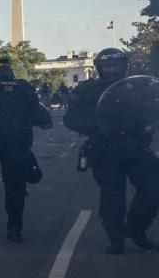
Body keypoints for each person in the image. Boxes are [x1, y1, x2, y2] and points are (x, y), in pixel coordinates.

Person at [65, 48, 159, 254]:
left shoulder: (140, 86)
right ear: (100, 68)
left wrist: (149, 123)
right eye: (108, 66)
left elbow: (154, 109)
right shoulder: (87, 90)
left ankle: (136, 229)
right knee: (113, 196)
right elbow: (70, 119)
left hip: (136, 146)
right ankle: (116, 239)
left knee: (153, 189)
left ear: (125, 66)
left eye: (117, 65)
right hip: (104, 148)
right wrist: (96, 127)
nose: (113, 70)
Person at [0, 51, 51, 243]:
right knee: (15, 185)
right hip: (17, 140)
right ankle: (15, 228)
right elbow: (39, 115)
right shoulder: (23, 86)